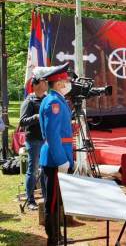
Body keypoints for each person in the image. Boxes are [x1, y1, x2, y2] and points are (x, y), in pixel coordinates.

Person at [39, 63, 74, 245]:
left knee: (57, 199)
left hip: (57, 155)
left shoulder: (56, 99)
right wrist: (62, 159)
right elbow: (52, 134)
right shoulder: (53, 102)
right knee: (52, 201)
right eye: (66, 79)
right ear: (59, 82)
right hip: (55, 158)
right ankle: (53, 239)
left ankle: (57, 235)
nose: (68, 82)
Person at [19, 67, 49, 210]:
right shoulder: (29, 101)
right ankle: (30, 200)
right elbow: (22, 121)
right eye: (44, 81)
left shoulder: (47, 99)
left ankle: (46, 197)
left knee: (45, 169)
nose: (46, 83)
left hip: (45, 139)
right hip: (33, 140)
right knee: (33, 169)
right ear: (36, 84)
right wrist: (37, 117)